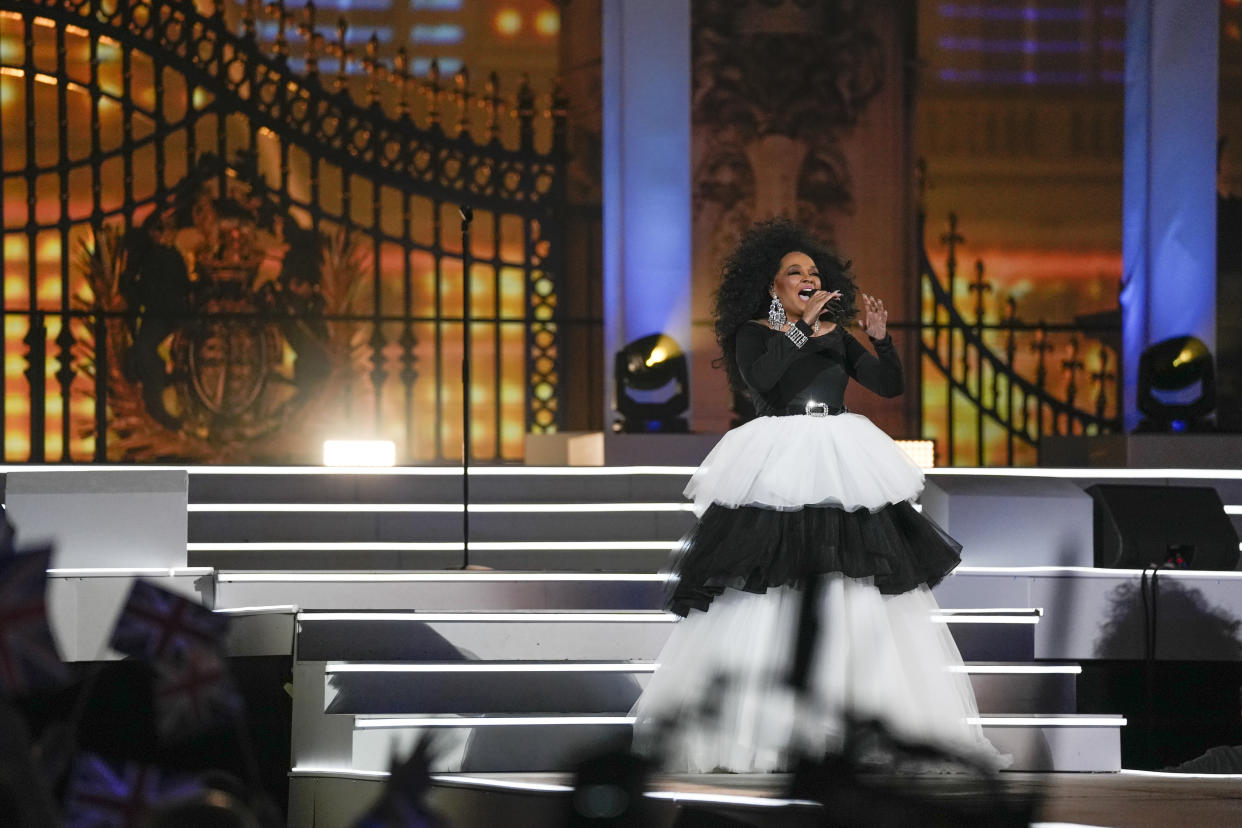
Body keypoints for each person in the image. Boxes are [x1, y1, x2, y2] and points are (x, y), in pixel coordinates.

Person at [630, 218, 1002, 773]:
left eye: (813, 271)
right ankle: (762, 725)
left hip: (840, 455)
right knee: (768, 584)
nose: (808, 278)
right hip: (779, 456)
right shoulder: (755, 331)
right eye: (794, 272)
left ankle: (848, 718)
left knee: (850, 585)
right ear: (771, 285)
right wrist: (799, 328)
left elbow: (887, 385)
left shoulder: (835, 335)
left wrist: (880, 339)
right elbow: (762, 381)